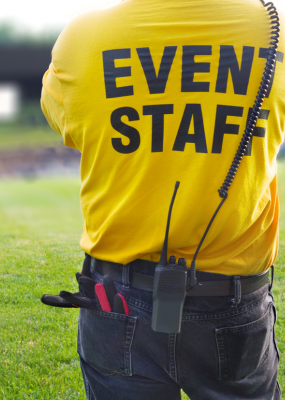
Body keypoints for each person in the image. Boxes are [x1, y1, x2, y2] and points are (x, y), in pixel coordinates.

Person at [40, 0, 283, 399]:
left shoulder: (82, 39)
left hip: (118, 296)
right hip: (232, 297)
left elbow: (64, 120)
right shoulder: (276, 32)